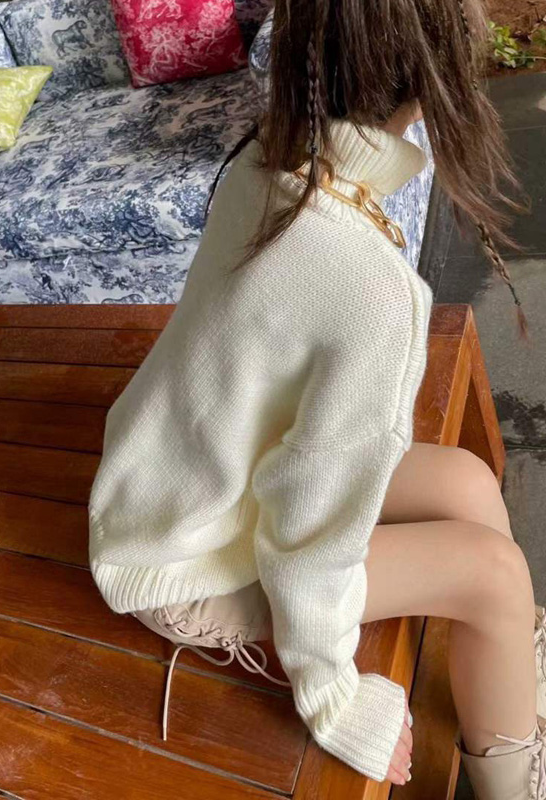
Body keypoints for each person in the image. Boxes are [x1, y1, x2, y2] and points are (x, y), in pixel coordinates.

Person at [87, 1, 542, 796]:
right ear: (430, 71)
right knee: (496, 576)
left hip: (174, 483)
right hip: (186, 564)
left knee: (469, 483)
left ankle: (507, 681)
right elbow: (307, 539)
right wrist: (334, 696)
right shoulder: (374, 288)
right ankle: (516, 778)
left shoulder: (267, 157)